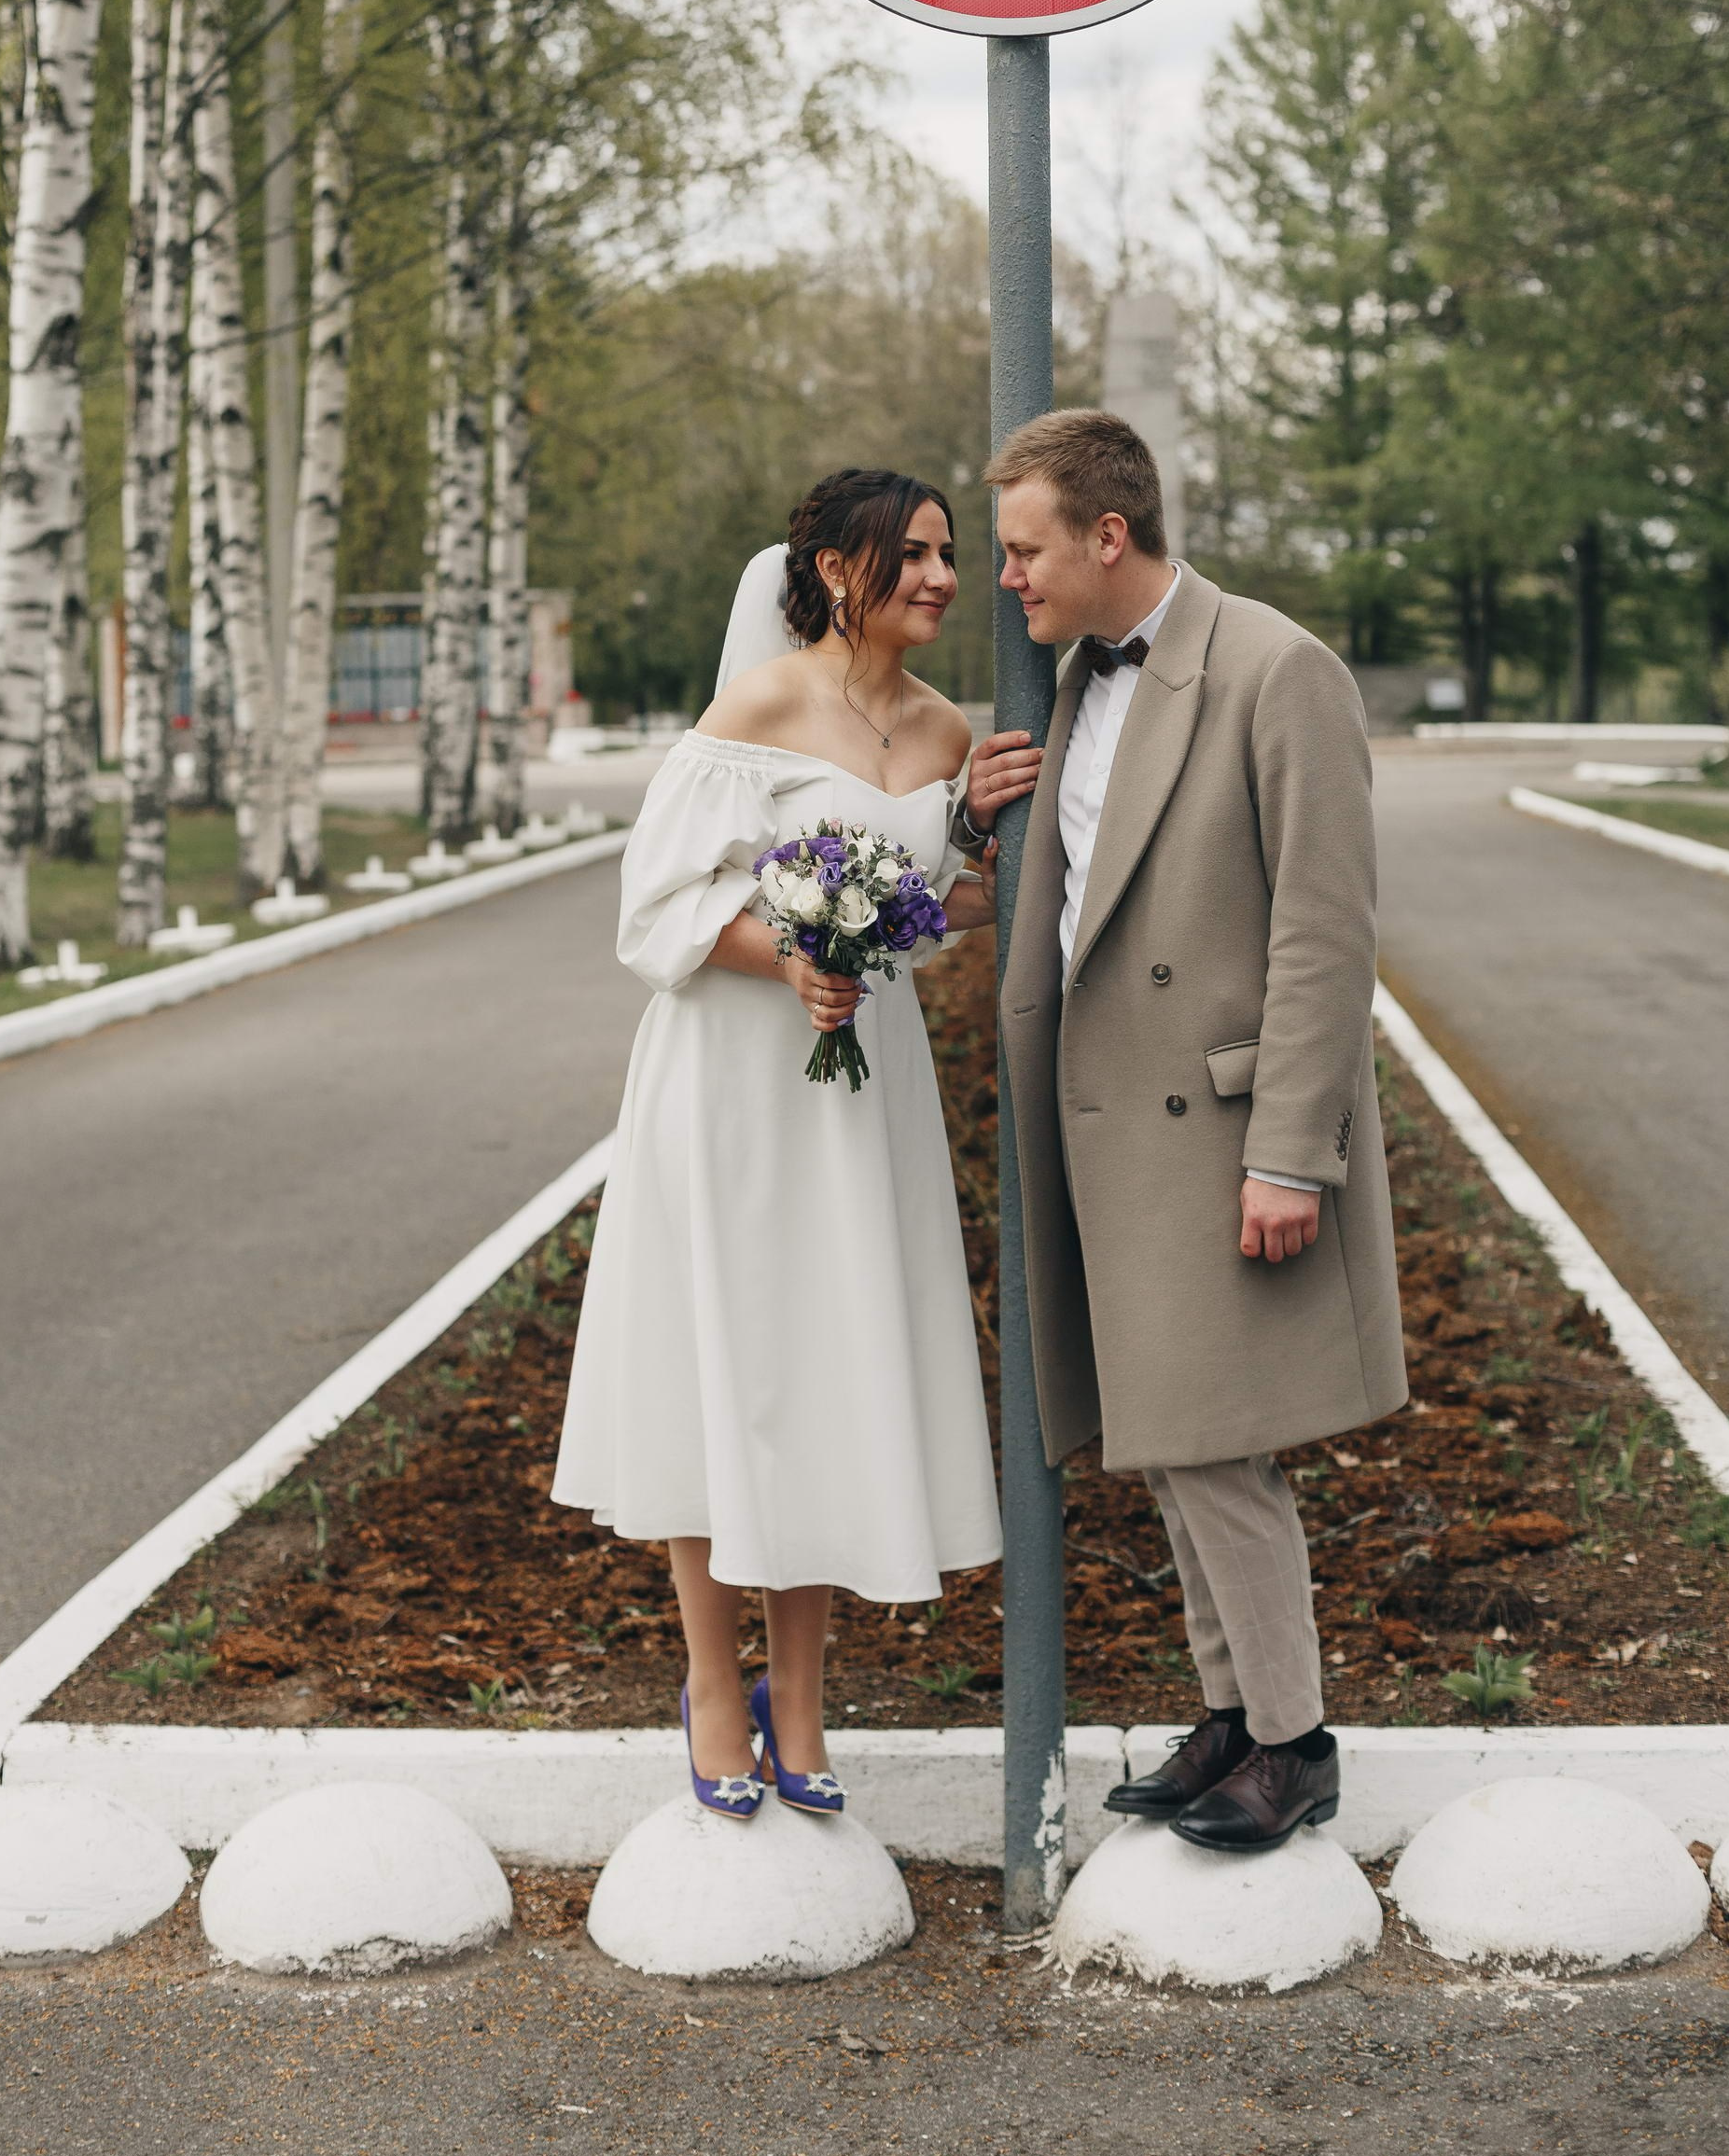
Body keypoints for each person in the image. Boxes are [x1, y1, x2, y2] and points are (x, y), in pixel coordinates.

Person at [970, 408, 1408, 1853]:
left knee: (1224, 1447)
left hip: (1224, 1134)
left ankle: (1294, 1741)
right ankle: (1230, 1718)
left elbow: (1327, 934)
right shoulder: (1072, 679)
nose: (1006, 580)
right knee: (1170, 1437)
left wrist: (1292, 1150)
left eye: (1026, 550)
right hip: (1112, 1130)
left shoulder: (1279, 670)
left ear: (1109, 535)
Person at [553, 467, 1011, 1820]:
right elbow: (658, 908)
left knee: (823, 1367)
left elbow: (942, 904)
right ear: (828, 566)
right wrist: (794, 956)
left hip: (862, 1095)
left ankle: (800, 1700)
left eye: (946, 554)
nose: (937, 576)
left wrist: (987, 844)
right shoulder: (755, 707)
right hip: (733, 1081)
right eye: (911, 555)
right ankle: (710, 1684)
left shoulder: (943, 730)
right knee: (722, 1363)